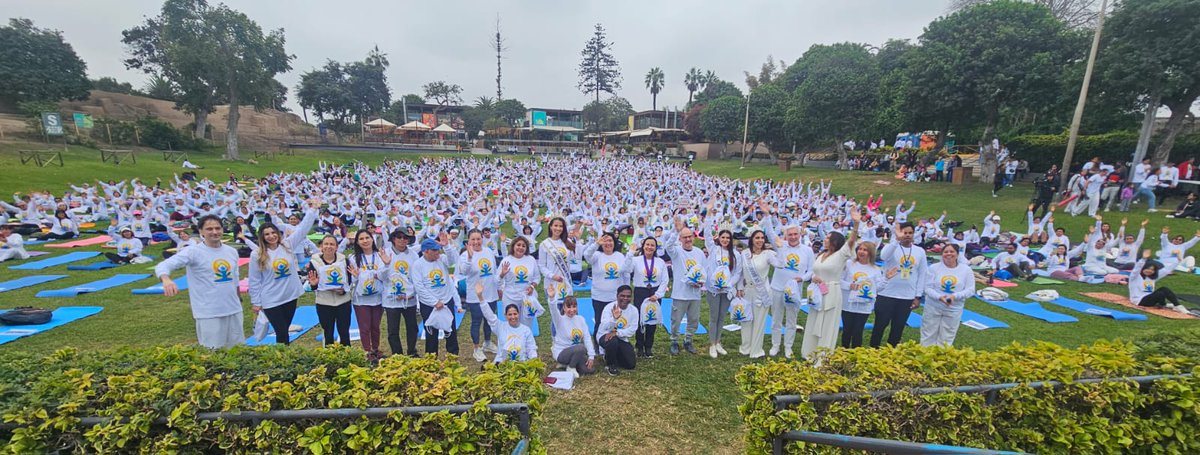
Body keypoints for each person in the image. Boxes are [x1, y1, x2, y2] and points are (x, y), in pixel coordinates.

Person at [154, 214, 244, 349]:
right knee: (213, 352)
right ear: (201, 231)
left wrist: (238, 299)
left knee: (239, 351)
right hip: (209, 312)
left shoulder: (231, 251)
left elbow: (235, 279)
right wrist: (166, 279)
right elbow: (163, 265)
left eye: (217, 228)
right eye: (209, 229)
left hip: (234, 309)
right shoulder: (193, 252)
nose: (214, 232)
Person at [247, 200, 318, 345]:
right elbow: (254, 280)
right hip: (271, 298)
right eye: (267, 234)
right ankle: (283, 357)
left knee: (285, 329)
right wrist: (256, 302)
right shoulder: (257, 254)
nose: (271, 236)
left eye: (273, 232)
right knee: (281, 331)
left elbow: (302, 229)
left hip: (290, 295)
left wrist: (313, 210)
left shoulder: (287, 245)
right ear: (262, 237)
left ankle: (284, 355)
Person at [801, 210, 861, 361]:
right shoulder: (821, 254)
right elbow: (817, 271)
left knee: (827, 325)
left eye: (828, 238)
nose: (825, 239)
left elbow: (852, 241)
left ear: (835, 241)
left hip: (832, 291)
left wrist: (856, 224)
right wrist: (814, 278)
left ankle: (823, 357)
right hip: (817, 292)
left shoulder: (841, 254)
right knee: (814, 320)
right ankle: (810, 353)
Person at [764, 215, 814, 359]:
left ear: (800, 234)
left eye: (795, 234)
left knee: (792, 320)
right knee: (776, 318)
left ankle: (788, 346)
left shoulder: (807, 250)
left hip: (794, 291)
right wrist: (768, 215)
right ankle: (775, 345)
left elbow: (811, 270)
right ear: (786, 236)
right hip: (778, 288)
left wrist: (802, 278)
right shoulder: (781, 245)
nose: (792, 237)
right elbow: (769, 232)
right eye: (790, 234)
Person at [871, 222, 926, 348]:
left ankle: (892, 351)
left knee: (898, 326)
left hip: (907, 296)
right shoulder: (892, 246)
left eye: (910, 233)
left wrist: (918, 296)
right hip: (886, 293)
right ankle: (873, 349)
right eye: (904, 233)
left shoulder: (920, 251)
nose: (907, 235)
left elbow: (922, 274)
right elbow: (884, 257)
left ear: (913, 234)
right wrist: (896, 241)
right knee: (880, 325)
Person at [412, 235, 462, 357]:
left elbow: (452, 261)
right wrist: (434, 302)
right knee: (431, 333)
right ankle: (431, 357)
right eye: (434, 250)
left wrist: (447, 246)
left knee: (450, 331)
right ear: (426, 251)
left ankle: (452, 355)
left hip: (446, 300)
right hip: (429, 304)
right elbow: (419, 287)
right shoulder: (418, 265)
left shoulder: (442, 258)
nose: (437, 252)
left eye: (438, 249)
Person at [842, 241, 896, 348]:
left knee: (858, 331)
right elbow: (839, 280)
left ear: (870, 253)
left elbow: (877, 288)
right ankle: (843, 352)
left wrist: (886, 279)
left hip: (864, 306)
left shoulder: (875, 269)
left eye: (865, 250)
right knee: (847, 330)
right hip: (848, 304)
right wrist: (849, 286)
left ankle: (855, 355)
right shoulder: (849, 264)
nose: (861, 252)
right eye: (860, 249)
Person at [663, 224, 706, 355]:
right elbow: (668, 246)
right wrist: (676, 230)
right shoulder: (676, 252)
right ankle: (674, 341)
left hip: (694, 294)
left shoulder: (699, 252)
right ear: (680, 239)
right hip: (680, 293)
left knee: (693, 319)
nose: (688, 239)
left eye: (689, 236)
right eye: (684, 237)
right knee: (676, 319)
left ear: (693, 237)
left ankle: (688, 340)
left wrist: (701, 283)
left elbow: (704, 270)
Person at [921, 243, 976, 347]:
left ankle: (941, 358)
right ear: (942, 254)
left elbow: (970, 290)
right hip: (933, 306)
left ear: (957, 254)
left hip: (954, 308)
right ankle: (925, 355)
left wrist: (955, 296)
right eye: (946, 252)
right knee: (928, 333)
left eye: (952, 251)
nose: (949, 254)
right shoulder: (934, 268)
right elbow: (927, 287)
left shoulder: (966, 270)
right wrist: (939, 297)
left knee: (947, 336)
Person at [347, 229, 390, 362]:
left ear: (372, 239)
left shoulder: (380, 255)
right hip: (361, 299)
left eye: (367, 238)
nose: (365, 241)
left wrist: (387, 264)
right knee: (364, 327)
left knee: (375, 326)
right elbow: (353, 280)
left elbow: (384, 276)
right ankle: (368, 352)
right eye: (361, 239)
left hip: (378, 297)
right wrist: (355, 276)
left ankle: (376, 350)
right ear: (357, 242)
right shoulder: (353, 258)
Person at [458, 229, 498, 362]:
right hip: (475, 295)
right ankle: (476, 348)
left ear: (482, 239)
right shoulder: (464, 255)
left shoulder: (488, 251)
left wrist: (499, 287)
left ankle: (487, 343)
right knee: (477, 321)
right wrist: (469, 257)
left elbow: (494, 271)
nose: (476, 242)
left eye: (478, 239)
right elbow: (464, 271)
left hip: (490, 293)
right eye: (473, 239)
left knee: (489, 320)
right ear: (468, 241)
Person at [473, 283, 538, 364]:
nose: (513, 317)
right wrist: (480, 297)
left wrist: (534, 362)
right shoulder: (500, 326)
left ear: (519, 314)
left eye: (515, 314)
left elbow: (531, 349)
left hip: (521, 365)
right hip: (502, 364)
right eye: (510, 314)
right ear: (505, 315)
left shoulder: (526, 330)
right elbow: (489, 315)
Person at [306, 235, 352, 347]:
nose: (328, 246)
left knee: (344, 332)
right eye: (326, 244)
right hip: (324, 303)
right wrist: (314, 285)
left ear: (336, 247)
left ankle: (347, 356)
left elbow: (349, 281)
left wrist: (343, 291)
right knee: (328, 332)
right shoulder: (314, 262)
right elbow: (313, 283)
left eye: (332, 244)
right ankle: (329, 358)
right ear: (321, 246)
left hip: (343, 302)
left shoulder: (344, 261)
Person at [703, 226, 740, 359]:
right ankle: (712, 343)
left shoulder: (735, 254)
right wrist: (708, 214)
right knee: (714, 317)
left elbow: (737, 272)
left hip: (726, 290)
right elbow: (707, 234)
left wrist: (727, 284)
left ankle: (718, 342)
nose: (725, 240)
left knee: (721, 316)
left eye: (727, 238)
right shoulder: (714, 249)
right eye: (722, 237)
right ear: (719, 238)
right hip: (713, 289)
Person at [737, 230, 775, 359]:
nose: (760, 240)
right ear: (752, 239)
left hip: (762, 292)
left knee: (759, 321)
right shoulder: (744, 254)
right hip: (747, 290)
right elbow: (740, 272)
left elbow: (780, 264)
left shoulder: (768, 254)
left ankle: (756, 349)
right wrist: (739, 287)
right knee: (746, 320)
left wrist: (779, 246)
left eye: (762, 238)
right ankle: (745, 347)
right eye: (757, 237)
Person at [628, 237, 668, 358]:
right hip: (641, 291)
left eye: (652, 245)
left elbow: (665, 280)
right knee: (640, 319)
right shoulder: (636, 260)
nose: (649, 247)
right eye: (647, 244)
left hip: (655, 292)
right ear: (643, 245)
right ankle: (639, 346)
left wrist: (658, 294)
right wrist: (630, 254)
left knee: (652, 319)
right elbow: (627, 270)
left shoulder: (660, 262)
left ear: (656, 248)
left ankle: (648, 346)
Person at [382, 228, 420, 356]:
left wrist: (410, 293)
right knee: (393, 330)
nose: (403, 240)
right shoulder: (384, 253)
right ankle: (397, 354)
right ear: (393, 239)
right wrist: (386, 265)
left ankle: (412, 351)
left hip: (409, 298)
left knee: (412, 327)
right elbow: (379, 276)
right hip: (391, 299)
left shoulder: (413, 255)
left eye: (405, 238)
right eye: (399, 237)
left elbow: (417, 277)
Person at [498, 236, 541, 329]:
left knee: (527, 324)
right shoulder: (506, 260)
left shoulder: (531, 259)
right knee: (512, 323)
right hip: (510, 297)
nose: (520, 248)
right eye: (518, 245)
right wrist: (502, 274)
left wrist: (532, 287)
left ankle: (525, 342)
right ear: (513, 246)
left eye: (523, 246)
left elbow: (537, 277)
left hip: (527, 297)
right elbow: (497, 280)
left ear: (526, 248)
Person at [548, 295, 596, 377]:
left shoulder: (581, 319)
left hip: (576, 352)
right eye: (569, 307)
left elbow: (587, 337)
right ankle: (571, 367)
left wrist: (591, 356)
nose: (572, 310)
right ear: (564, 308)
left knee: (589, 370)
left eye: (574, 307)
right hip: (562, 352)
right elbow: (553, 310)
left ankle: (568, 364)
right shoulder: (559, 320)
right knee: (581, 348)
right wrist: (552, 298)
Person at [597, 285, 638, 375]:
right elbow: (604, 327)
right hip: (605, 336)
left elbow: (632, 329)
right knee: (612, 341)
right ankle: (610, 364)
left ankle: (612, 355)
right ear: (617, 296)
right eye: (622, 296)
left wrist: (617, 333)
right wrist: (614, 319)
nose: (625, 298)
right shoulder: (609, 308)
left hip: (621, 337)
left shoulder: (634, 310)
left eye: (628, 296)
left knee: (630, 364)